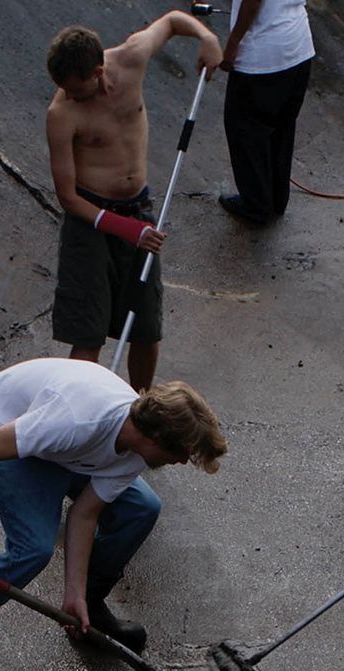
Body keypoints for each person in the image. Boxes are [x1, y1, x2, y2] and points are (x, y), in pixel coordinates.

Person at [0, 357, 228, 671]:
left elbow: (84, 514)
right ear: (155, 436)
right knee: (33, 548)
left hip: (63, 447)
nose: (182, 462)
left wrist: (75, 594)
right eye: (181, 453)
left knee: (141, 508)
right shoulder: (78, 419)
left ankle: (90, 610)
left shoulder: (136, 449)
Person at [45, 14, 223, 391]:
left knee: (144, 327)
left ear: (97, 71)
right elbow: (67, 197)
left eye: (75, 88)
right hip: (92, 221)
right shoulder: (61, 114)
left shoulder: (131, 57)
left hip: (138, 209)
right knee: (88, 330)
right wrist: (130, 230)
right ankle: (81, 413)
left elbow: (174, 21)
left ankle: (142, 408)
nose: (66, 95)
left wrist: (207, 38)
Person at [217, 0, 315, 227]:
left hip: (262, 56)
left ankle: (256, 206)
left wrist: (232, 43)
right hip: (298, 47)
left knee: (245, 131)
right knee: (281, 128)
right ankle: (277, 200)